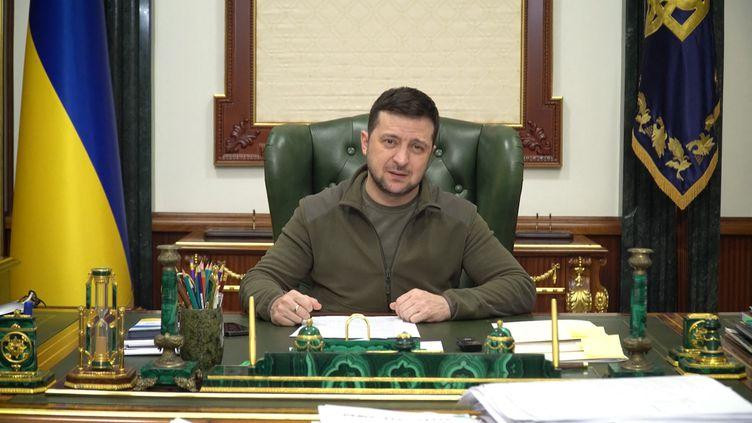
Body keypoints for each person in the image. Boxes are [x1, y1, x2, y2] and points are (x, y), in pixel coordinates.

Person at [240, 87, 536, 326]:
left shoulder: (459, 216)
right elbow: (257, 281)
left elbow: (519, 287)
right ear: (366, 143)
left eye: (417, 147)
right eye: (390, 142)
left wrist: (449, 303)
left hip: (425, 360)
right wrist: (275, 303)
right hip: (334, 355)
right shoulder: (315, 212)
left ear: (431, 154)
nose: (401, 160)